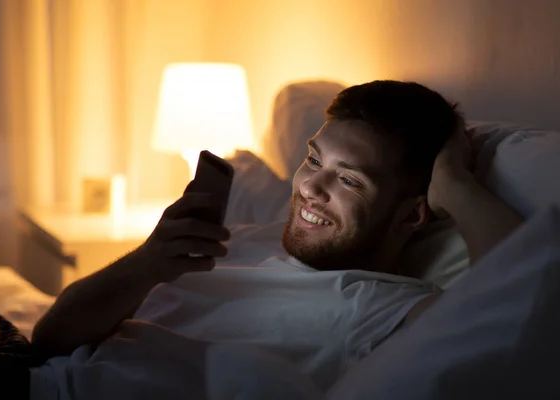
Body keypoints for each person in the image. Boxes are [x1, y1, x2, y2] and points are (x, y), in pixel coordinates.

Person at [29, 81, 524, 396]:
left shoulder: (380, 309)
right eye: (313, 160)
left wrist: (458, 188)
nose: (311, 186)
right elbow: (50, 337)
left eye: (349, 180)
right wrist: (146, 264)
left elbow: (521, 301)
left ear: (414, 213)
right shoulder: (241, 239)